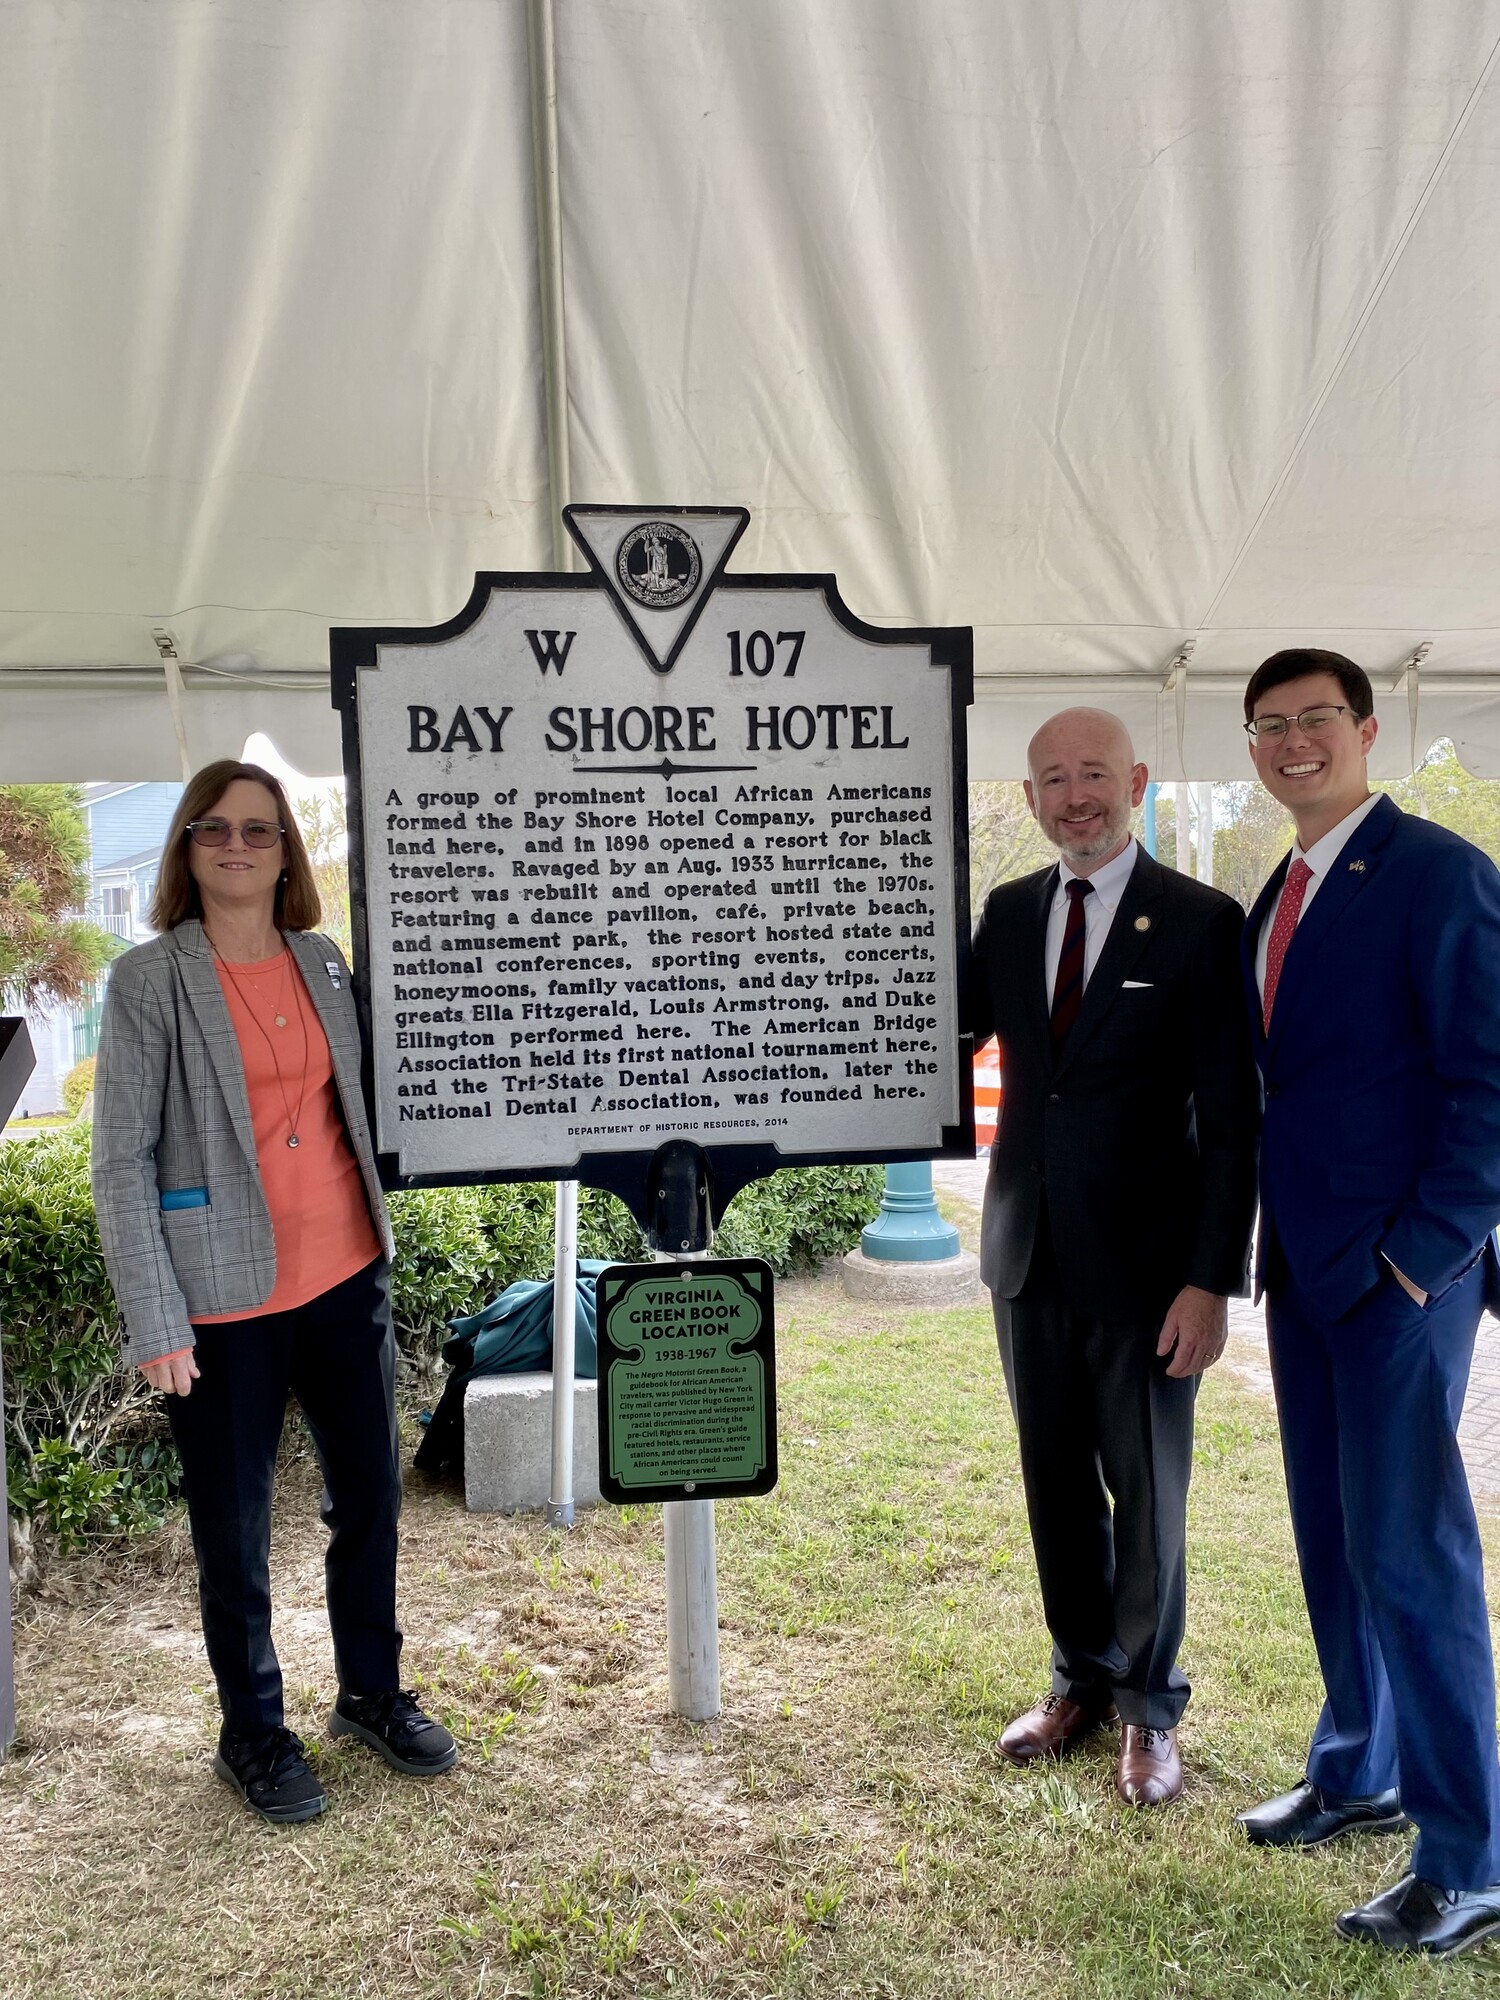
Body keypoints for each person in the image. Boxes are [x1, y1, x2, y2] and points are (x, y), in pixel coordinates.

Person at [91, 759, 457, 1825]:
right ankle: (251, 1731)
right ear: (185, 849)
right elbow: (120, 1161)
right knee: (236, 1530)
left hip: (346, 1274)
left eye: (260, 829)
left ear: (288, 848)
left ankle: (372, 1692)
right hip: (219, 1304)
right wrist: (156, 1319)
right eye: (215, 829)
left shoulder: (323, 958)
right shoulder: (149, 978)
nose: (238, 845)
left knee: (373, 1500)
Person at [1236, 650, 1500, 1956]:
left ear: (1366, 729)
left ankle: (1470, 1859)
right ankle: (1361, 1768)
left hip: (1399, 1279)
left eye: (1315, 720)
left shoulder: (1442, 876)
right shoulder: (1274, 894)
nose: (1292, 743)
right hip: (1303, 1270)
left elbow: (1490, 1089)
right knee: (1334, 1537)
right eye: (1268, 726)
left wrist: (1418, 1258)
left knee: (1413, 1555)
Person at [964, 709, 1258, 1805]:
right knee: (1054, 1485)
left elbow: (1233, 1119)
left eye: (1094, 774)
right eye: (1052, 778)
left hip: (1149, 1272)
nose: (1074, 795)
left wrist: (1211, 1277)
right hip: (1024, 1257)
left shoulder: (1198, 920)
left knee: (1146, 1492)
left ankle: (1147, 1705)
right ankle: (1078, 1678)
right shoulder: (1005, 914)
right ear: (1030, 794)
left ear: (1134, 780)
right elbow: (929, 1032)